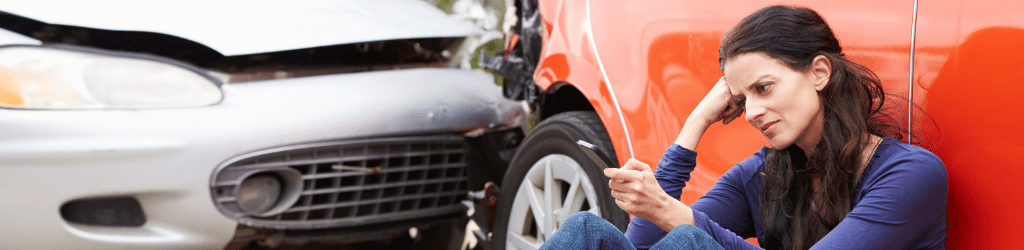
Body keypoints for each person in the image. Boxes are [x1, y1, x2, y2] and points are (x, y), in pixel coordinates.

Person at [539, 5, 947, 250]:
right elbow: (644, 244)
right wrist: (695, 123)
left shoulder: (909, 174)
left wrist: (671, 212)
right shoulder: (763, 173)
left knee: (688, 239)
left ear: (819, 72)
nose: (752, 111)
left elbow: (682, 233)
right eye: (742, 98)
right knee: (586, 230)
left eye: (764, 88)